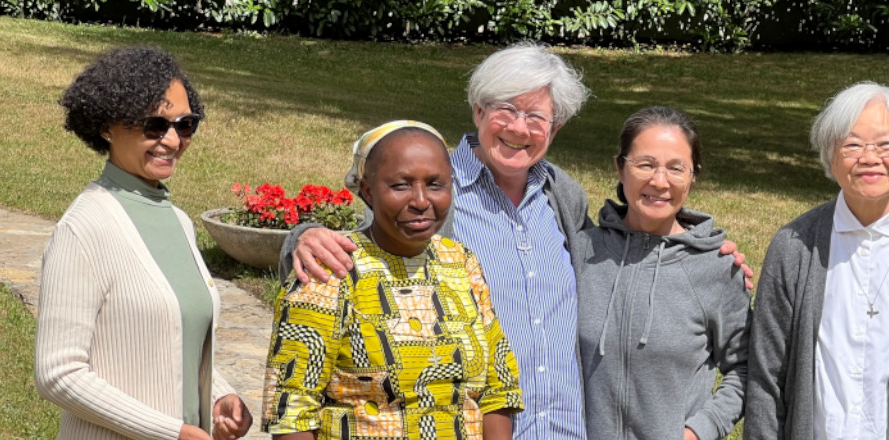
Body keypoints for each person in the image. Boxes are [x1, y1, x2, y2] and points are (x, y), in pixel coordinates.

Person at [281, 42, 752, 440]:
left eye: (537, 117)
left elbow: (621, 255)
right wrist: (303, 237)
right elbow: (359, 247)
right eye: (506, 109)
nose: (519, 128)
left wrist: (702, 248)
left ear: (556, 128)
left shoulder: (560, 193)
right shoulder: (433, 186)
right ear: (479, 109)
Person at [36, 46, 251, 440]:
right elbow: (58, 373)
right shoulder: (84, 228)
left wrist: (219, 395)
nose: (171, 140)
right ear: (107, 126)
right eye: (154, 125)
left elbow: (170, 343)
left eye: (185, 124)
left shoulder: (178, 222)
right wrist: (171, 431)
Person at [260, 121, 523, 440]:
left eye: (436, 184)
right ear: (368, 190)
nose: (422, 200)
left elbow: (499, 389)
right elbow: (291, 411)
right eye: (401, 185)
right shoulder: (331, 270)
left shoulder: (460, 262)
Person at [745, 81, 889, 439]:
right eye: (851, 144)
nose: (869, 157)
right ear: (829, 156)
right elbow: (766, 378)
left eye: (884, 144)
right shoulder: (792, 247)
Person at [574, 106, 749, 440]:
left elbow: (746, 367)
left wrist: (699, 431)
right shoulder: (582, 252)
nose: (659, 181)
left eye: (675, 168)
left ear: (692, 177)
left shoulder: (716, 268)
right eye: (646, 164)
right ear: (619, 167)